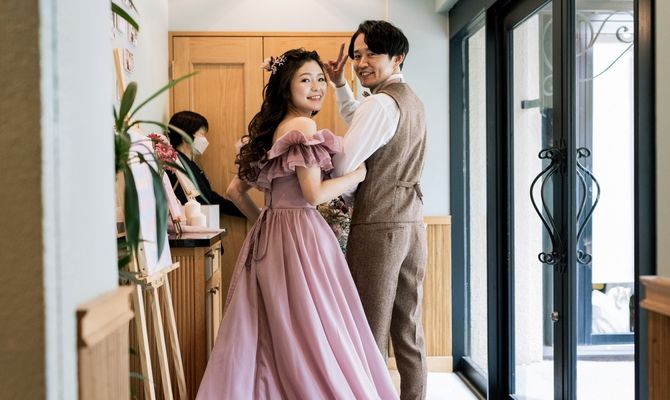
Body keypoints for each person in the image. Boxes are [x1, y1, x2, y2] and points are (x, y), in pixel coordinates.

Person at [196, 49, 398, 399]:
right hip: (302, 235)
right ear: (286, 87)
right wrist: (356, 176)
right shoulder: (303, 128)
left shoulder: (270, 132)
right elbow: (313, 194)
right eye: (306, 80)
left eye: (320, 79)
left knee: (270, 326)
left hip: (270, 236)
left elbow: (234, 191)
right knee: (314, 327)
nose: (317, 87)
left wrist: (267, 222)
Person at [325, 20, 428, 400]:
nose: (361, 62)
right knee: (408, 328)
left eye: (371, 54)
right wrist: (340, 85)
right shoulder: (408, 100)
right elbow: (365, 122)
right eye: (357, 55)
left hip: (379, 223)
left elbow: (344, 164)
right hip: (412, 222)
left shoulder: (380, 103)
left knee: (368, 329)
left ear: (397, 57)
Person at [166, 111, 245, 218]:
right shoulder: (174, 165)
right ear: (185, 136)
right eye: (202, 134)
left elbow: (209, 197)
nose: (205, 140)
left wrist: (246, 210)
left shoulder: (191, 164)